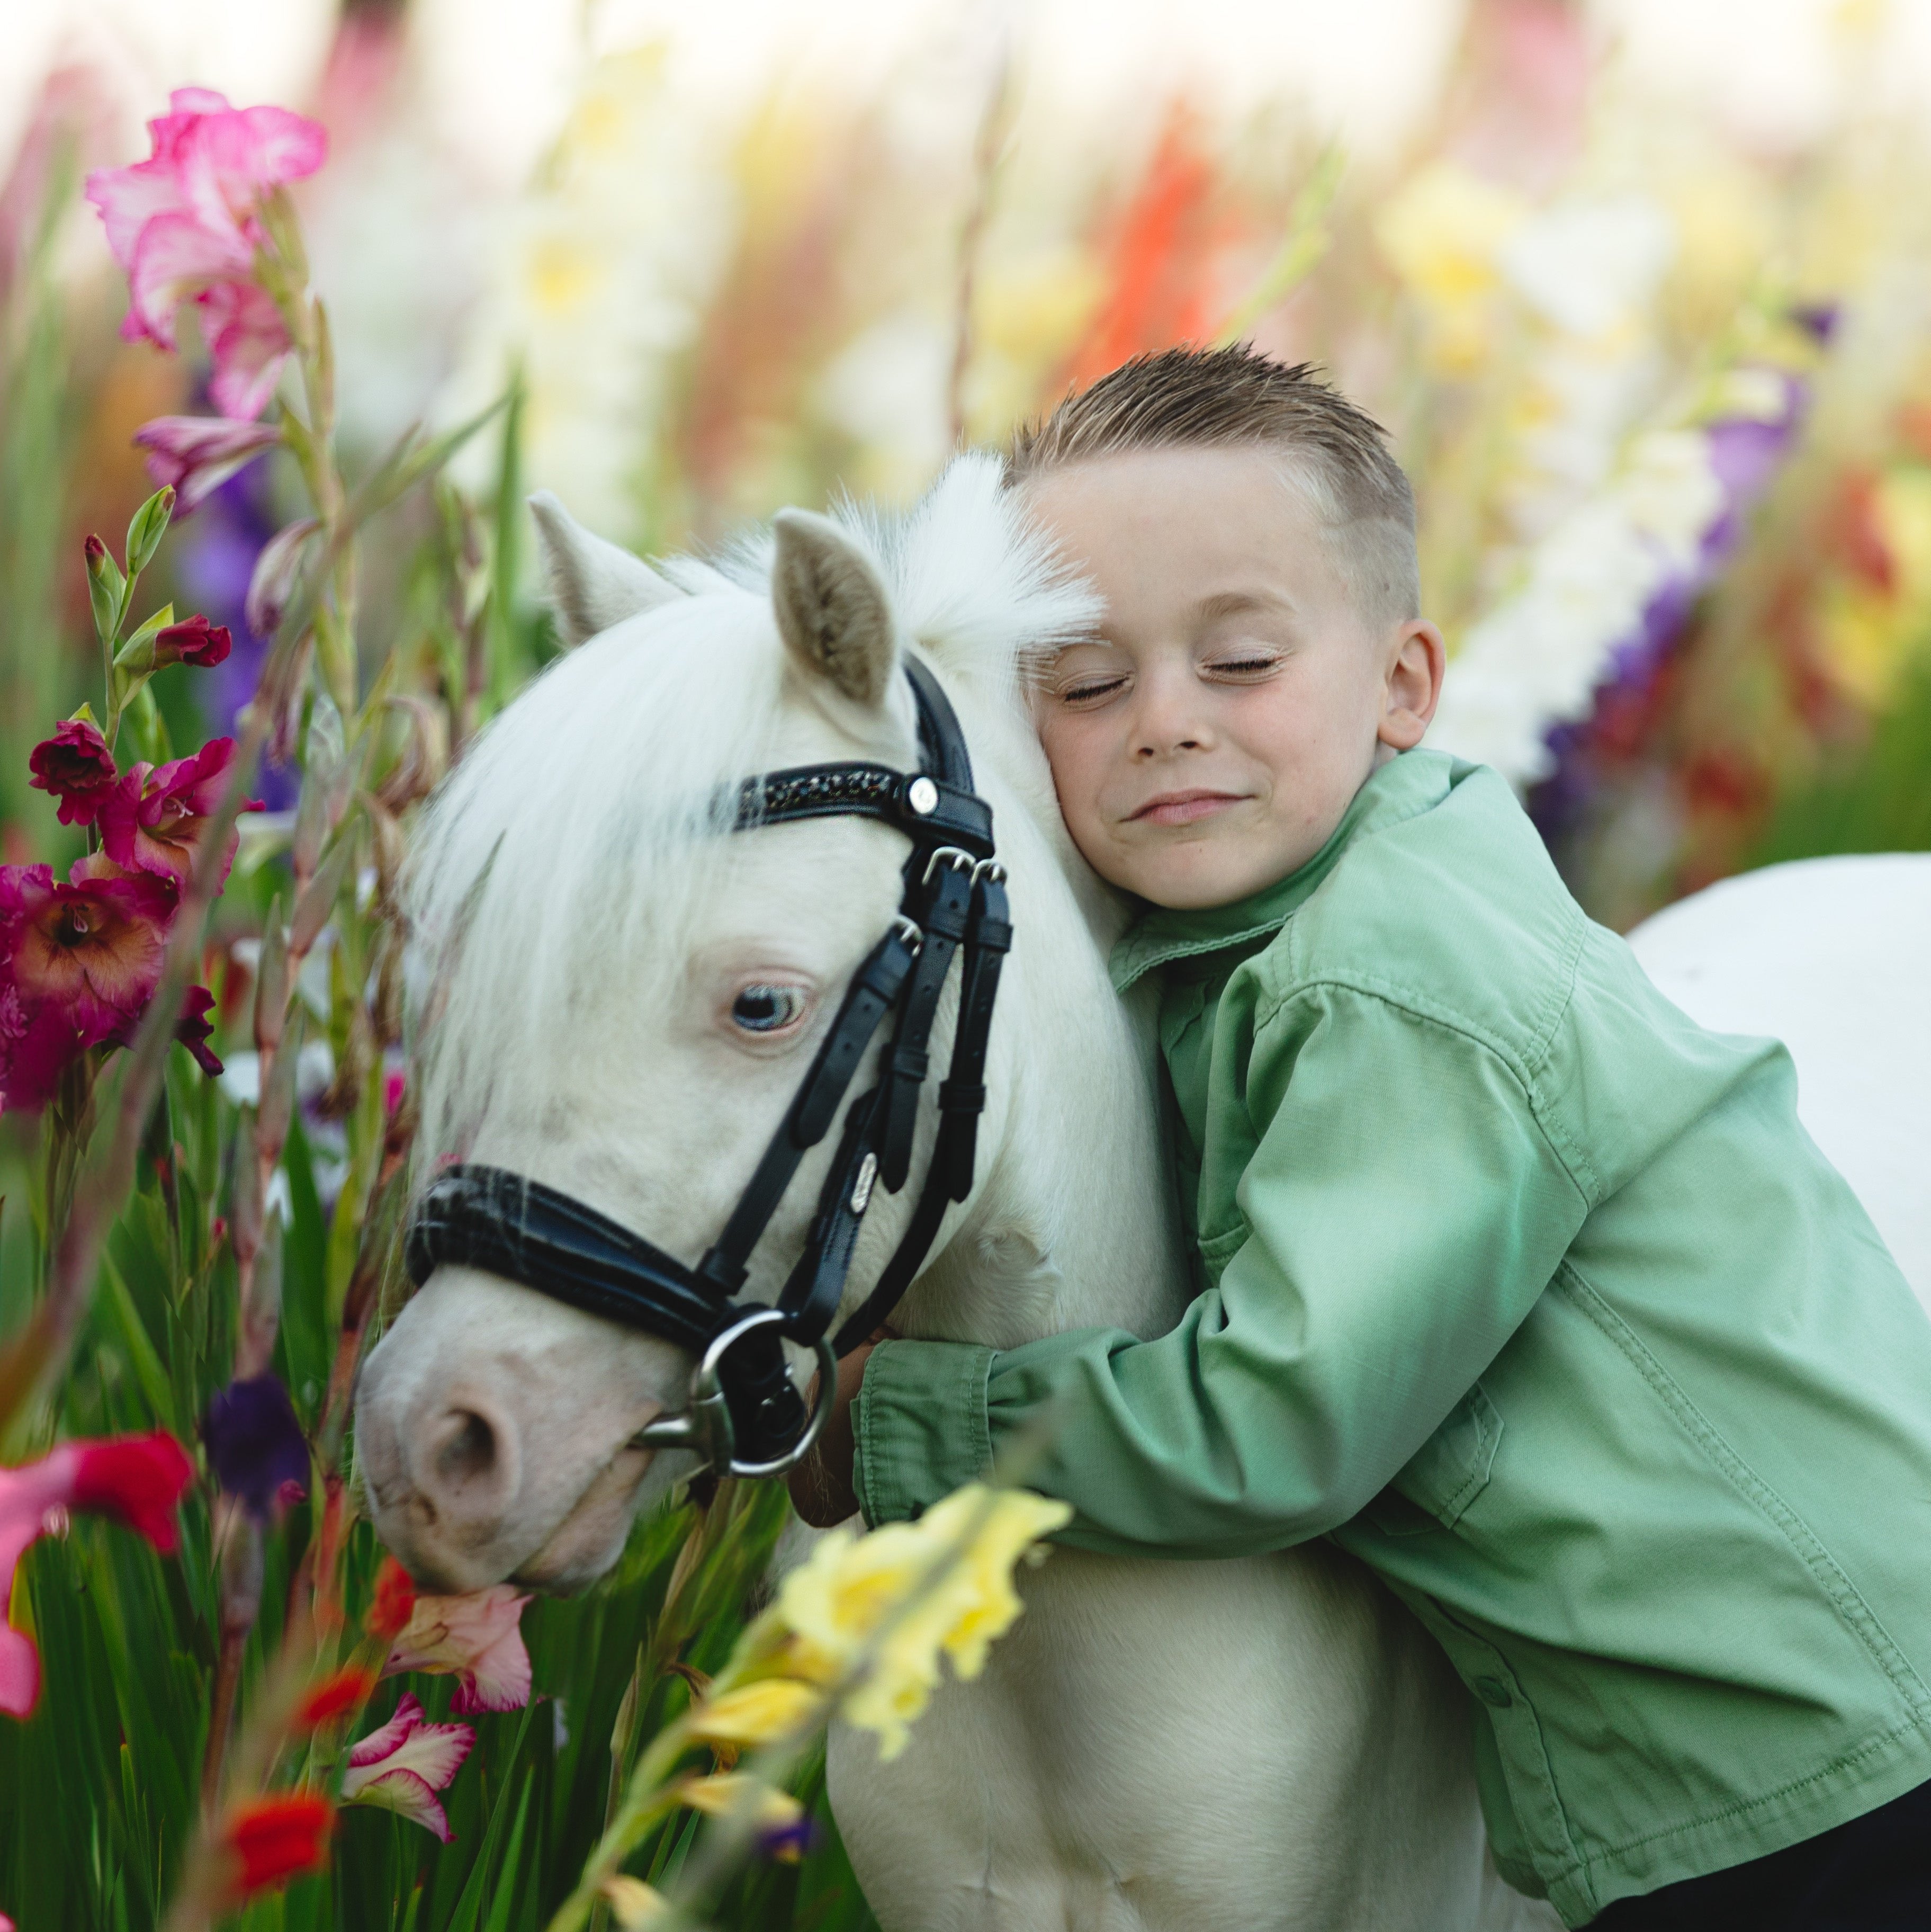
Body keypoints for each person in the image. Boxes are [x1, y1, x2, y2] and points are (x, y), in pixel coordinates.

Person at [791, 346, 1931, 1929]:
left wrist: (900, 1418)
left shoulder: (1390, 979)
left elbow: (1280, 1421)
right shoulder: (1293, 914)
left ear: (1403, 683)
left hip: (1800, 1762)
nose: (1166, 723)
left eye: (1241, 662)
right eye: (1089, 681)